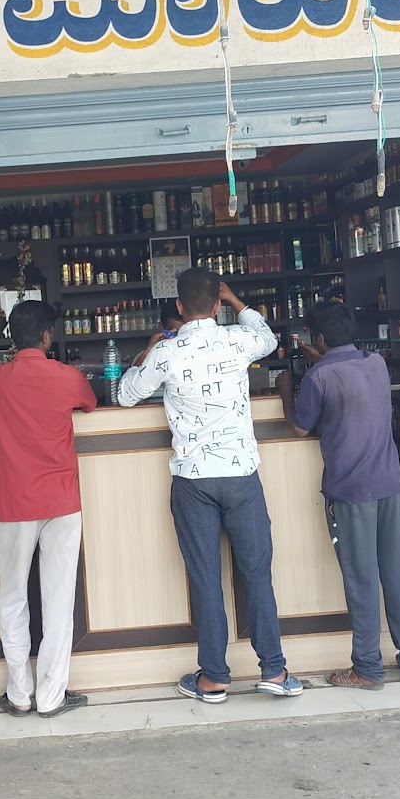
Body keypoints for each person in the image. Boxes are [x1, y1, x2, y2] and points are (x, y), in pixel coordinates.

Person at [116, 268, 303, 703]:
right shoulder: (237, 340)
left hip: (193, 480)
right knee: (256, 573)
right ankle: (274, 672)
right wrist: (239, 303)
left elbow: (125, 395)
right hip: (241, 477)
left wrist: (147, 352)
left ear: (178, 307)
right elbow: (269, 338)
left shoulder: (167, 351)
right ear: (217, 307)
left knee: (205, 577)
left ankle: (214, 677)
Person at [280, 300, 400, 689]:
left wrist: (284, 390)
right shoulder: (376, 364)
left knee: (362, 581)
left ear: (319, 338)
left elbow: (300, 428)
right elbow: (348, 377)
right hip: (389, 485)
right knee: (398, 574)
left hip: (350, 492)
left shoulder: (317, 377)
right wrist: (323, 357)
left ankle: (367, 668)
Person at [0, 300, 98, 718]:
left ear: (10, 337)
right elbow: (90, 404)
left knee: (12, 595)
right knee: (58, 598)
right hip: (60, 500)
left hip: (13, 502)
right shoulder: (67, 376)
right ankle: (52, 696)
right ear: (46, 337)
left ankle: (19, 693)